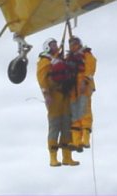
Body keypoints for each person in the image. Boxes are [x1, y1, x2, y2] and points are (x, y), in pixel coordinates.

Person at [36, 38, 79, 167]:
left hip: (65, 95)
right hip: (53, 96)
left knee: (67, 126)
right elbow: (42, 79)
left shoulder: (61, 60)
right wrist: (46, 94)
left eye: (55, 43)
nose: (55, 45)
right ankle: (53, 157)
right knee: (55, 126)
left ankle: (67, 156)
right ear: (47, 47)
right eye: (52, 44)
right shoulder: (44, 61)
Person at [67, 36, 96, 151]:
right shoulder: (69, 57)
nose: (72, 46)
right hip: (73, 86)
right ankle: (76, 141)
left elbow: (91, 68)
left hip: (83, 84)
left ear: (79, 44)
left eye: (74, 43)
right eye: (70, 44)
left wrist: (85, 81)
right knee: (75, 114)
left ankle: (86, 139)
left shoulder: (86, 54)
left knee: (84, 110)